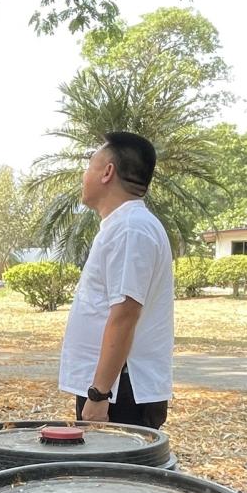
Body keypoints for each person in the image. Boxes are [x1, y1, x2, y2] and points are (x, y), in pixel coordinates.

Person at [58, 132, 174, 429]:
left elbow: (124, 314)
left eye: (90, 166)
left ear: (107, 172)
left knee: (116, 475)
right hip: (112, 388)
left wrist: (99, 394)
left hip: (119, 393)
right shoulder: (123, 226)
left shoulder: (131, 229)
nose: (85, 176)